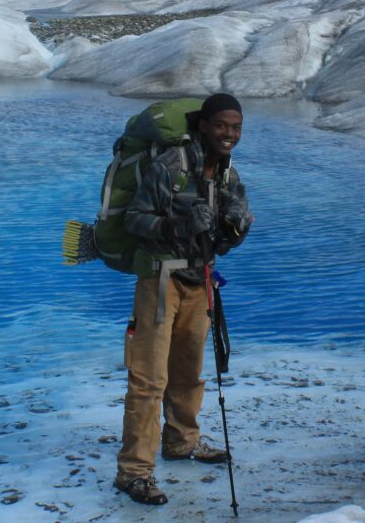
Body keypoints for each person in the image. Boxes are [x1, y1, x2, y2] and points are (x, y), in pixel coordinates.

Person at [113, 92, 254, 506]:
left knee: (189, 372)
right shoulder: (171, 165)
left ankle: (181, 442)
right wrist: (179, 223)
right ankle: (134, 472)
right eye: (222, 126)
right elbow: (135, 219)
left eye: (236, 128)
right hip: (160, 279)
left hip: (201, 279)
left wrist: (235, 229)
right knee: (148, 379)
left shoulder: (227, 173)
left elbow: (230, 228)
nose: (229, 134)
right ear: (204, 126)